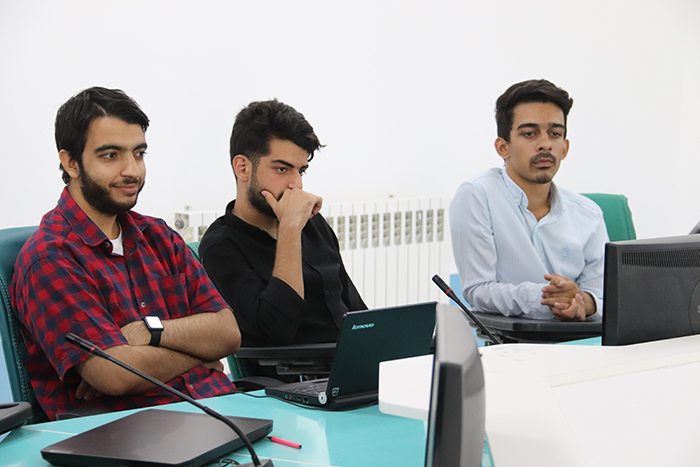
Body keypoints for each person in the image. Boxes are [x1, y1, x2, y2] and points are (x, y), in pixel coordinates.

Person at [11, 87, 241, 420]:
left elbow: (228, 333)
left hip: (222, 411)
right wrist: (201, 355)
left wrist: (150, 332)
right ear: (71, 162)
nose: (132, 170)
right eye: (111, 155)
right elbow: (116, 375)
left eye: (139, 153)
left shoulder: (159, 236)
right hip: (128, 432)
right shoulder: (51, 257)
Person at [200, 99, 366, 351]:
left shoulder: (312, 224)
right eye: (281, 169)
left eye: (301, 171)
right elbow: (276, 328)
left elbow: (355, 311)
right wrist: (289, 228)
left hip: (350, 360)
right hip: (294, 372)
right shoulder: (220, 247)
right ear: (243, 168)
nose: (296, 184)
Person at [449, 79, 608, 321]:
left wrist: (583, 302)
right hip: (509, 339)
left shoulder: (589, 214)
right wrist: (547, 298)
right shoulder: (477, 195)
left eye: (555, 134)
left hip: (577, 338)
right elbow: (478, 291)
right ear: (503, 147)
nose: (545, 144)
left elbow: (605, 297)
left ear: (564, 148)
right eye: (529, 134)